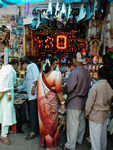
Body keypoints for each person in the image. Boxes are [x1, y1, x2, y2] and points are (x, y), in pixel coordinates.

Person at [64, 52, 91, 150]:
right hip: (83, 101)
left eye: (73, 60)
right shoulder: (87, 72)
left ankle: (70, 145)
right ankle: (79, 140)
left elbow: (70, 87)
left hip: (74, 101)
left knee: (72, 124)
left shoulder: (75, 72)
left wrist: (65, 88)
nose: (72, 61)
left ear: (76, 60)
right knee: (81, 123)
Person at [37, 57, 65, 149]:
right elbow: (59, 91)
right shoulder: (57, 74)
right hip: (52, 102)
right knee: (52, 123)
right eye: (56, 63)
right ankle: (51, 144)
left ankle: (45, 142)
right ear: (52, 64)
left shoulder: (41, 74)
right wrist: (63, 103)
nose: (57, 64)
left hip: (42, 103)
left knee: (44, 123)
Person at [85, 66, 113, 150]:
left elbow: (89, 102)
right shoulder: (109, 87)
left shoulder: (95, 86)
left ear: (99, 75)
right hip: (104, 115)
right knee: (102, 137)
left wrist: (87, 113)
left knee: (95, 139)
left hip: (95, 115)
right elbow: (110, 100)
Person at [17, 56, 40, 140]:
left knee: (33, 113)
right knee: (32, 112)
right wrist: (17, 88)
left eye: (23, 65)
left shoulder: (32, 66)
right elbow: (24, 84)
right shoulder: (28, 70)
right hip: (31, 95)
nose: (23, 67)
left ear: (26, 62)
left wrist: (33, 87)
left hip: (34, 95)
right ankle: (34, 127)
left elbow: (36, 78)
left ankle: (33, 131)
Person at [0, 59, 18, 145]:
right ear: (15, 65)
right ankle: (3, 135)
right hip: (7, 95)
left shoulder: (4, 68)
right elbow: (9, 82)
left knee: (3, 113)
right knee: (6, 114)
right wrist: (9, 93)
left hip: (3, 93)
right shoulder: (11, 70)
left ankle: (4, 131)